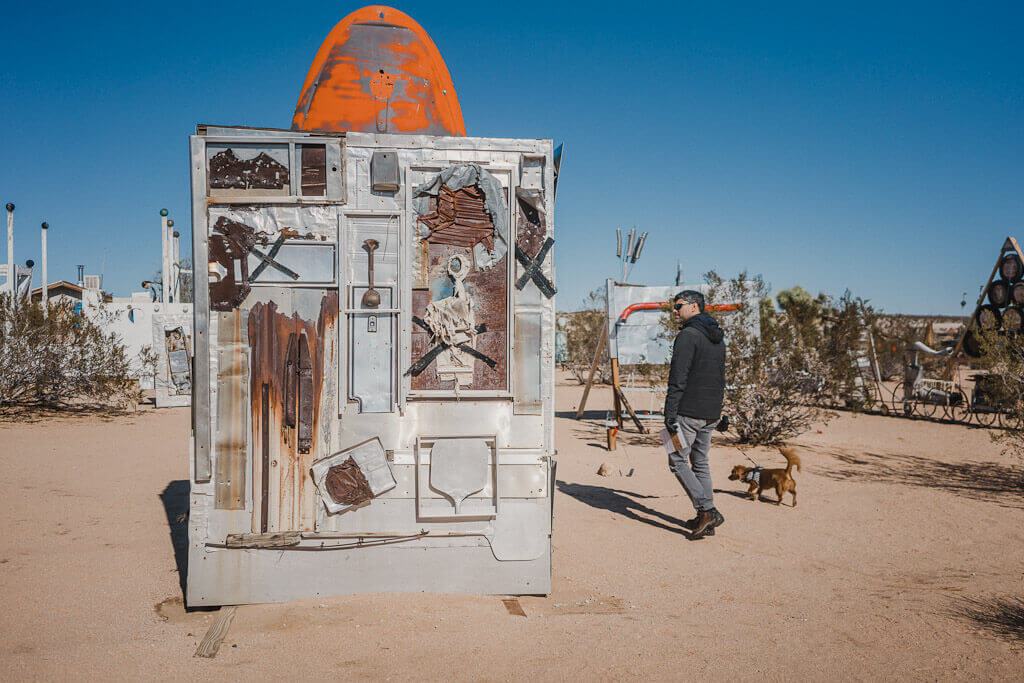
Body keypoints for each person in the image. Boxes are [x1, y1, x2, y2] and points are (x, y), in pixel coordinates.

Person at [664, 290, 727, 540]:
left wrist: (669, 414)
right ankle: (706, 518)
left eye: (678, 306)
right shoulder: (718, 338)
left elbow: (677, 378)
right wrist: (720, 412)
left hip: (686, 413)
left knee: (675, 459)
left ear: (693, 307)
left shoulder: (687, 336)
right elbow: (720, 378)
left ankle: (707, 510)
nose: (675, 311)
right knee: (700, 462)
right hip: (711, 413)